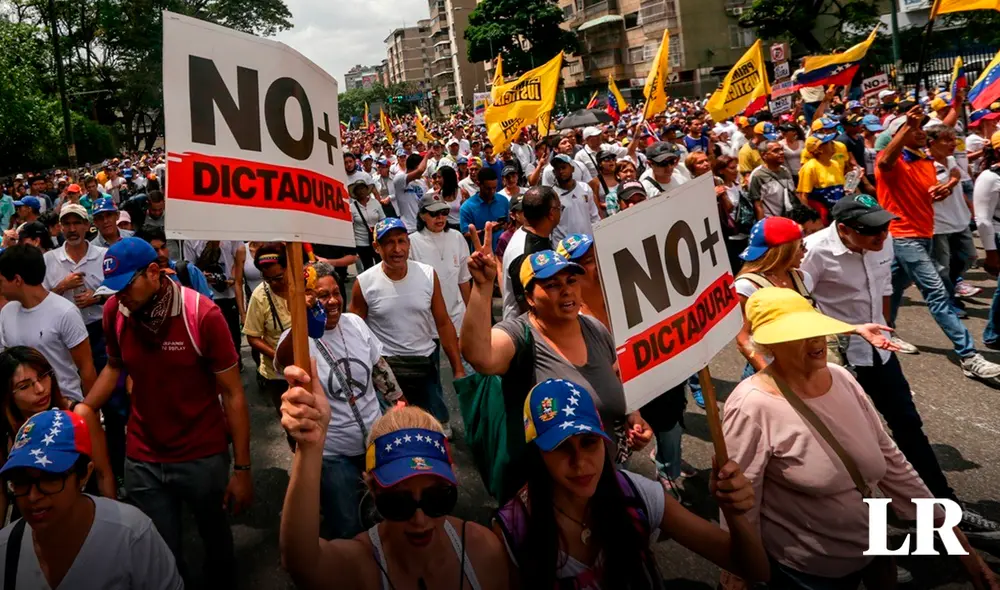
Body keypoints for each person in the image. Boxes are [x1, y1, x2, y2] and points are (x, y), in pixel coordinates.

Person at [723, 287, 997, 589]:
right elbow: (740, 500)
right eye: (797, 335)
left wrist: (966, 554)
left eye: (814, 329)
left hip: (873, 549)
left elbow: (894, 464)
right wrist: (739, 568)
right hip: (806, 572)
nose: (815, 341)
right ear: (769, 344)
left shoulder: (841, 377)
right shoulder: (751, 405)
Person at [802, 195, 1000, 533]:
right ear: (844, 229)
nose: (882, 236)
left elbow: (884, 288)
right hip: (837, 364)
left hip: (880, 354)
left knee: (908, 426)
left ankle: (943, 507)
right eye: (871, 231)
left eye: (884, 227)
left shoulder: (884, 240)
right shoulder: (813, 251)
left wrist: (884, 328)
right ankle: (847, 525)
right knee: (840, 441)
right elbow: (801, 306)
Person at [84, 237, 252, 587]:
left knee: (216, 542)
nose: (119, 297)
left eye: (125, 287)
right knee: (159, 553)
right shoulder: (116, 312)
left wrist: (242, 469)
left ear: (153, 272)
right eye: (114, 290)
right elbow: (114, 366)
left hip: (202, 454)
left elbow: (233, 393)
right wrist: (84, 409)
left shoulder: (201, 314)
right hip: (143, 456)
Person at [496, 378, 769, 588]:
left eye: (589, 442)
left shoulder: (635, 494)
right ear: (538, 454)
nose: (580, 463)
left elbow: (754, 569)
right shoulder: (511, 530)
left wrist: (734, 514)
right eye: (560, 447)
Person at [462, 229, 652, 502]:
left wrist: (633, 415)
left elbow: (616, 378)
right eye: (551, 285)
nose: (566, 290)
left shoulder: (596, 329)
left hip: (606, 475)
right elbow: (479, 356)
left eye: (571, 280)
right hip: (550, 494)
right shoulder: (520, 336)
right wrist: (482, 288)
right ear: (529, 298)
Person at [279, 399, 509, 590]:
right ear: (372, 489)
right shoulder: (360, 564)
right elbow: (301, 563)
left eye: (437, 500)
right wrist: (309, 447)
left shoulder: (483, 551)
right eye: (397, 503)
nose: (419, 520)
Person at [879, 107, 1000, 381]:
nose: (921, 132)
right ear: (899, 135)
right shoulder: (891, 161)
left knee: (895, 283)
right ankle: (969, 356)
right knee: (937, 292)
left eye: (921, 127)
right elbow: (885, 162)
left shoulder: (926, 161)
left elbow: (953, 171)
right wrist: (906, 127)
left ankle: (885, 329)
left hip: (926, 234)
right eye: (913, 128)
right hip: (903, 236)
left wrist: (948, 186)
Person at [0, 410, 183, 589]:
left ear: (84, 475)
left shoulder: (133, 535)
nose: (33, 496)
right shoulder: (6, 549)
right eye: (20, 481)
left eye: (51, 478)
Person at [350, 218, 466, 435]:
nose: (397, 249)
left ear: (408, 243)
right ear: (376, 247)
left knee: (438, 430)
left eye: (401, 241)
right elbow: (354, 332)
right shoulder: (364, 283)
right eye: (389, 243)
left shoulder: (428, 275)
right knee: (396, 431)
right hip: (387, 368)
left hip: (425, 362)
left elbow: (443, 322)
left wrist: (458, 368)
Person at [0, 347, 116, 512]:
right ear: (7, 395)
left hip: (81, 513)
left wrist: (111, 519)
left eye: (43, 376)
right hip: (32, 514)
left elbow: (103, 475)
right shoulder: (6, 432)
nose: (40, 389)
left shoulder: (79, 415)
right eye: (24, 386)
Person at [0, 245, 97, 403]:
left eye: (1, 281)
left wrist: (90, 409)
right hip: (25, 408)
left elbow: (86, 368)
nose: (0, 287)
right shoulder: (6, 313)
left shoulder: (65, 312)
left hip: (65, 405)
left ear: (17, 280)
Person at [43, 204, 108, 373]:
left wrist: (98, 297)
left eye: (77, 223)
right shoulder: (48, 260)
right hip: (62, 334)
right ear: (60, 227)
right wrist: (62, 287)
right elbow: (39, 302)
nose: (72, 229)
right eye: (67, 224)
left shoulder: (104, 256)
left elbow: (120, 293)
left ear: (87, 225)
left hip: (100, 332)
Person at [926, 123, 977, 316]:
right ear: (932, 143)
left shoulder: (951, 160)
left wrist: (970, 209)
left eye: (953, 139)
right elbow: (931, 195)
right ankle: (947, 302)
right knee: (942, 267)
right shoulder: (925, 165)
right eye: (947, 140)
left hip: (960, 220)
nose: (953, 144)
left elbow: (958, 186)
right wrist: (951, 182)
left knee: (968, 258)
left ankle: (951, 286)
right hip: (938, 224)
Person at [243, 243, 293, 423]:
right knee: (291, 421)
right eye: (267, 279)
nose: (273, 284)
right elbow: (253, 337)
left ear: (289, 268)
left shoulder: (306, 285)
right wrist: (278, 357)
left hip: (313, 365)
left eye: (278, 278)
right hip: (278, 374)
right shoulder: (259, 296)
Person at [410, 193, 472, 336]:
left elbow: (463, 280)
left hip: (457, 315)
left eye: (444, 212)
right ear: (422, 216)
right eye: (434, 214)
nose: (440, 217)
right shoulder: (412, 242)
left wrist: (471, 312)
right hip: (427, 320)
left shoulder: (457, 237)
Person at [183, 239, 246, 369]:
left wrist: (232, 278)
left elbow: (238, 259)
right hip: (203, 296)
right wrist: (200, 275)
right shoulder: (191, 239)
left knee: (233, 336)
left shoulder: (231, 236)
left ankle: (235, 365)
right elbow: (189, 267)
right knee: (209, 337)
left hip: (228, 295)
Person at [500, 187, 561, 321]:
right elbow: (527, 304)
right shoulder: (525, 252)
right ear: (551, 213)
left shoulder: (539, 235)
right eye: (559, 208)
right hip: (526, 328)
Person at [136, 226, 214, 298]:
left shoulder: (187, 270)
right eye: (155, 250)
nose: (162, 254)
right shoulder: (139, 278)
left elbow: (208, 303)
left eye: (163, 247)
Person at [550, 154, 599, 243]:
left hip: (588, 242)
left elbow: (594, 216)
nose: (561, 171)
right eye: (557, 169)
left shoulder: (585, 188)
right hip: (565, 246)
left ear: (572, 169)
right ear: (554, 172)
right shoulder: (551, 195)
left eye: (564, 167)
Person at [459, 167, 509, 251]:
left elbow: (508, 224)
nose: (492, 191)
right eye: (488, 188)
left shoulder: (503, 201)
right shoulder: (467, 207)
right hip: (480, 255)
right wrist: (486, 231)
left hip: (502, 253)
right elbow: (466, 235)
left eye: (494, 188)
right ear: (478, 184)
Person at [748, 140, 797, 219]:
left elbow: (794, 193)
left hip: (789, 219)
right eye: (776, 151)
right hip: (771, 220)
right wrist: (763, 224)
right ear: (764, 155)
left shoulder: (785, 171)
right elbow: (758, 206)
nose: (781, 152)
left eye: (781, 149)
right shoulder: (758, 176)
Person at [349, 180, 386, 271]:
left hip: (376, 240)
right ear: (355, 192)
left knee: (381, 264)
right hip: (361, 242)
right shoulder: (352, 207)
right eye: (358, 189)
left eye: (362, 188)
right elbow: (350, 226)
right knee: (367, 266)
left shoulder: (375, 203)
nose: (361, 191)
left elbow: (383, 220)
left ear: (367, 190)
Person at [391, 152, 431, 233]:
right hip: (408, 228)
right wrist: (427, 155)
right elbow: (420, 170)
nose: (423, 171)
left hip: (423, 227)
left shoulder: (422, 182)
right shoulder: (399, 179)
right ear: (416, 167)